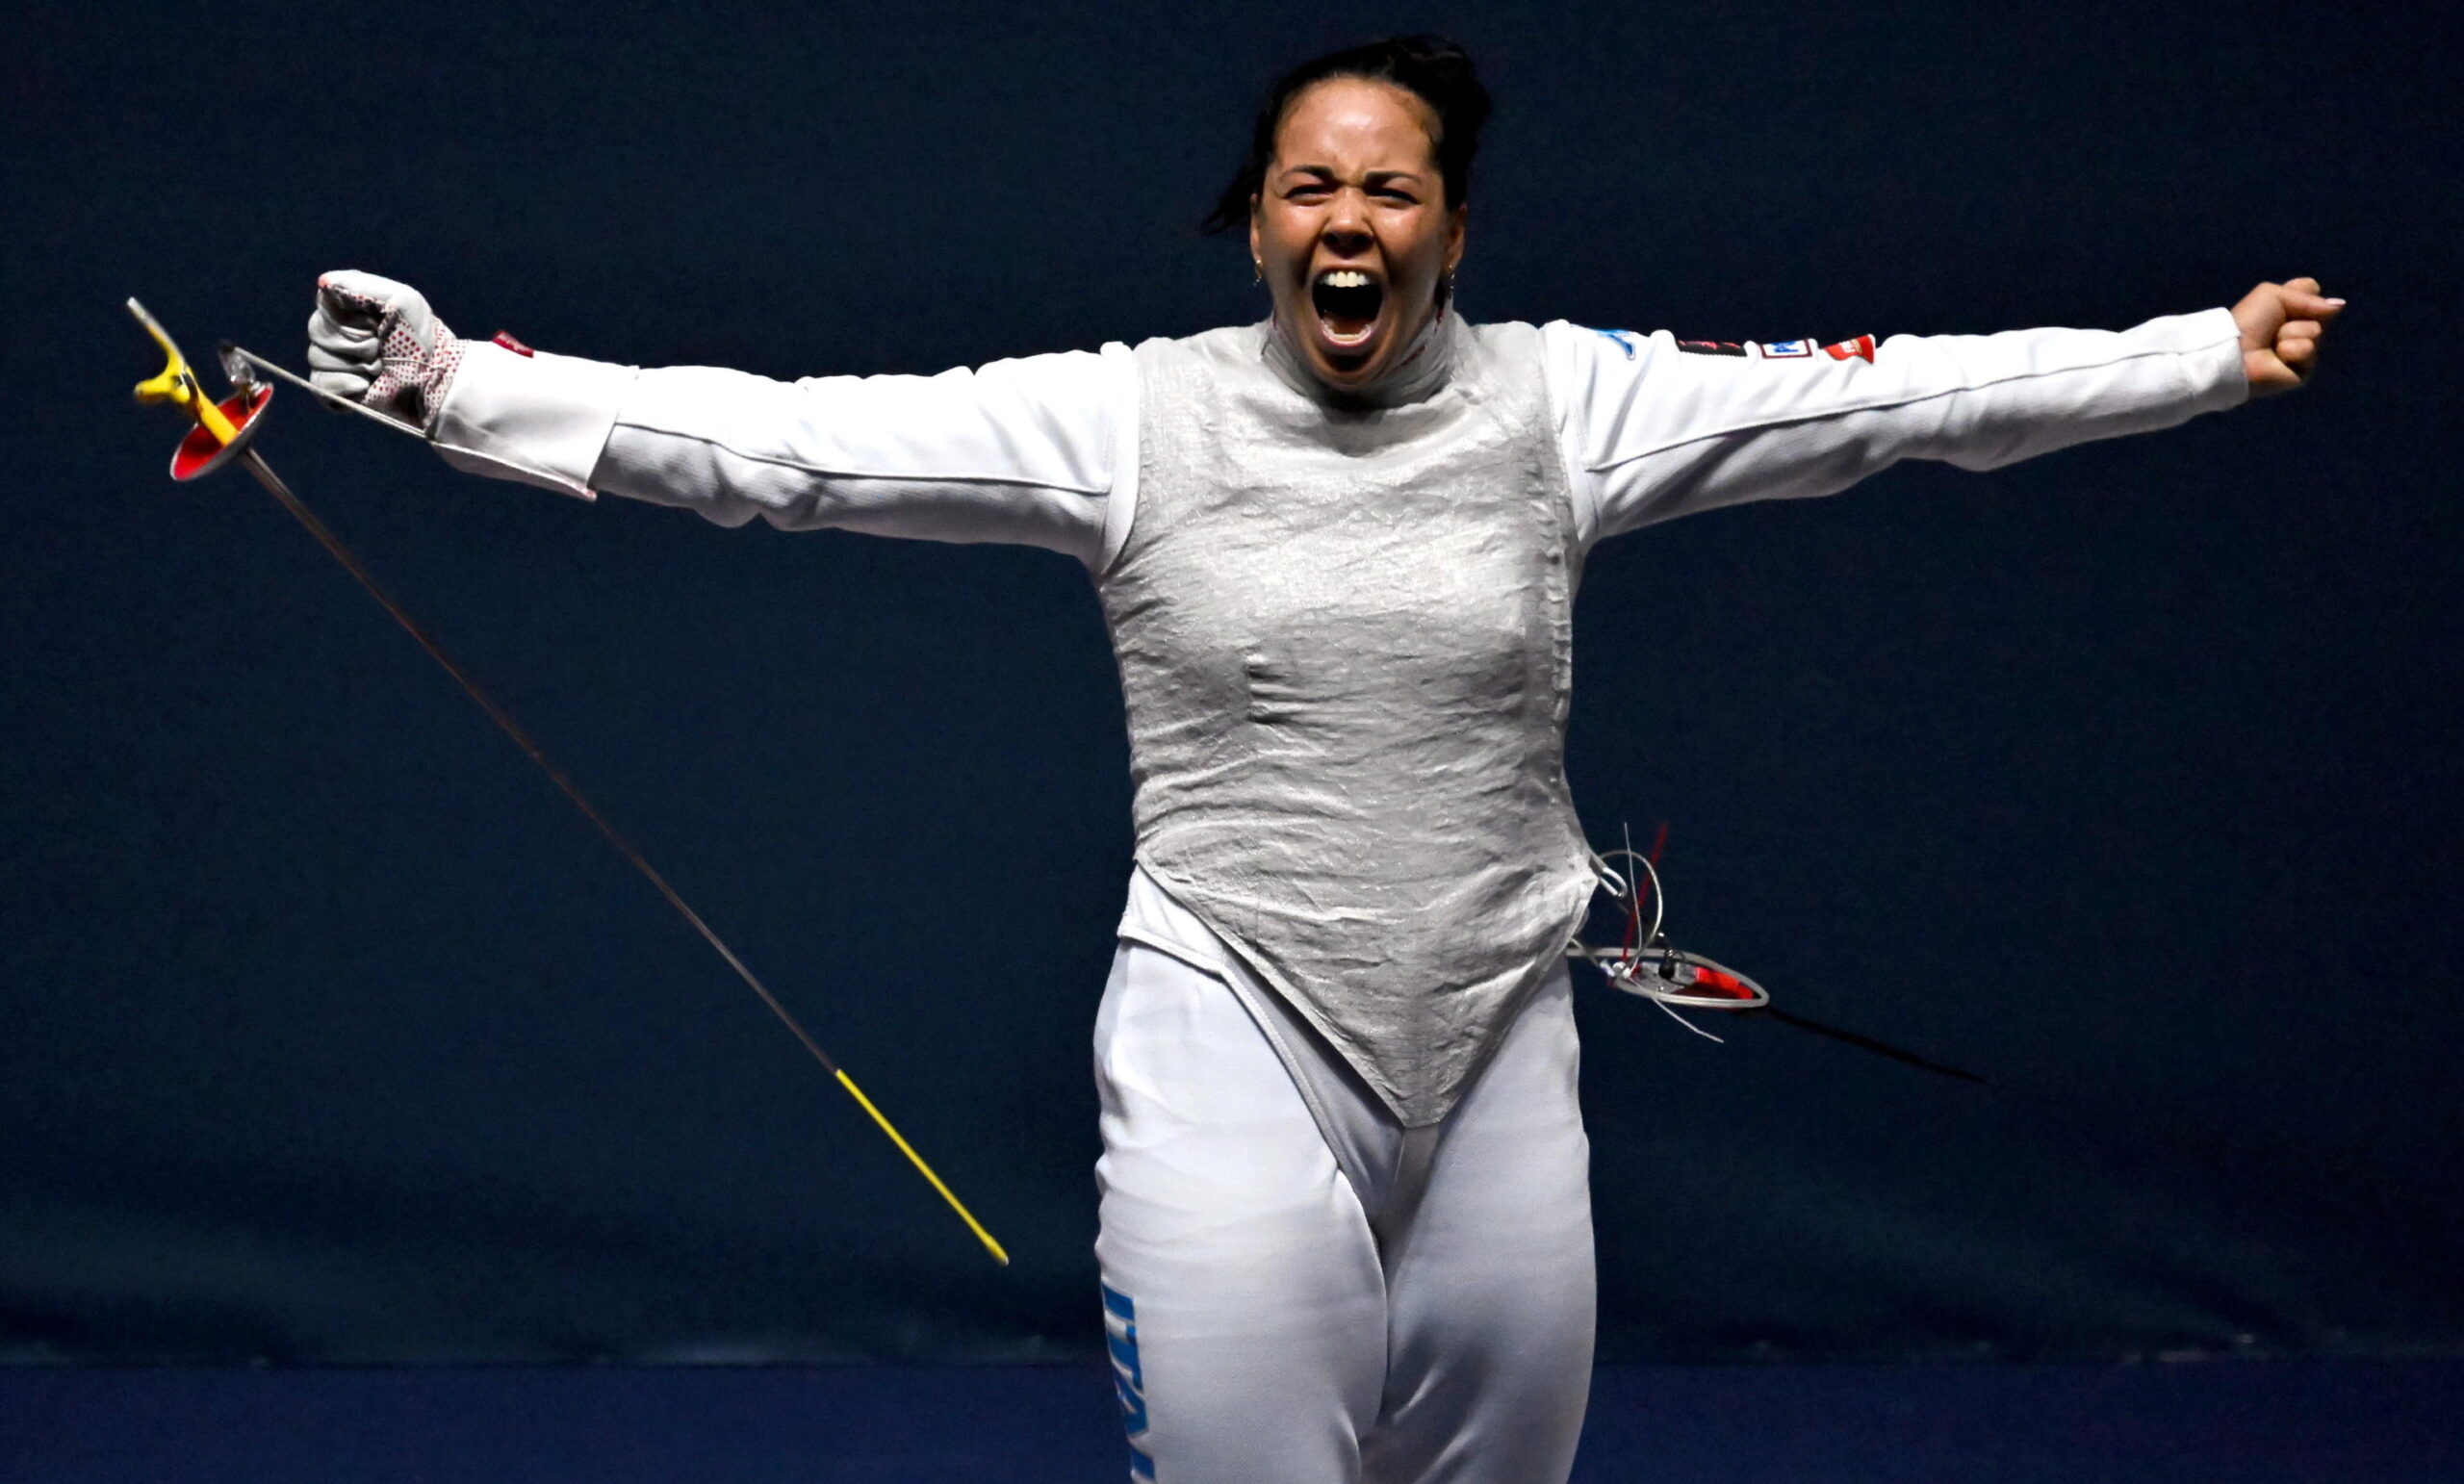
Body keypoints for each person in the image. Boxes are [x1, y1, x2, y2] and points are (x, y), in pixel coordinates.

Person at [304, 35, 2338, 1484]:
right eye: (1307, 184)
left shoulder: (1569, 406)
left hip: (1498, 1042)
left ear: (1447, 226)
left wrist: (2190, 354)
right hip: (1227, 1029)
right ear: (1256, 223)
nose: (1344, 217)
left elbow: (1892, 399)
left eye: (1387, 184)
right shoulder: (1129, 419)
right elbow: (786, 449)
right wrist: (456, 391)